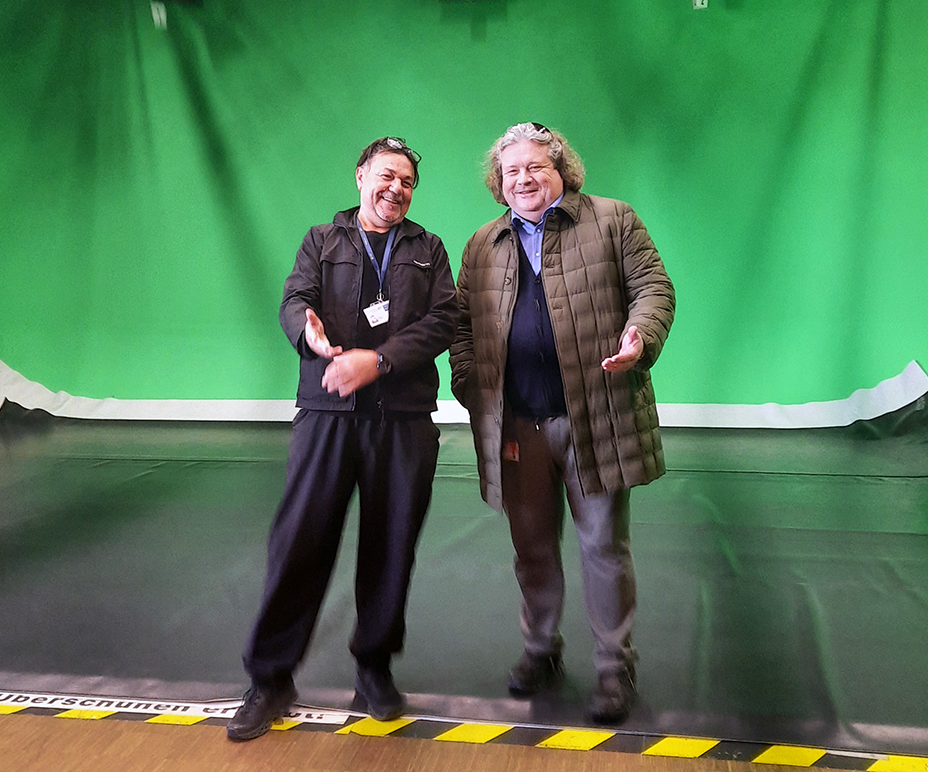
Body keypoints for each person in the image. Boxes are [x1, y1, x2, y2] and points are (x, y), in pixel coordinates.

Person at [228, 137, 458, 742]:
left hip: (402, 418)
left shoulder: (428, 249)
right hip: (326, 412)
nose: (396, 189)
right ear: (360, 177)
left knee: (391, 544)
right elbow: (295, 299)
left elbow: (444, 320)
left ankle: (373, 667)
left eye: (407, 182)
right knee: (299, 542)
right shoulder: (321, 240)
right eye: (386, 176)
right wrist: (304, 330)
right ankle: (270, 677)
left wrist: (377, 362)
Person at [450, 122, 674, 725]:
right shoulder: (481, 244)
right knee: (531, 549)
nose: (523, 179)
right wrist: (470, 385)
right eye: (511, 171)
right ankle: (541, 649)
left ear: (562, 171)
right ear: (498, 182)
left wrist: (639, 335)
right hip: (517, 425)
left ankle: (614, 666)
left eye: (536, 167)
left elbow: (653, 288)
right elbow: (462, 326)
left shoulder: (613, 219)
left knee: (603, 546)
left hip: (597, 417)